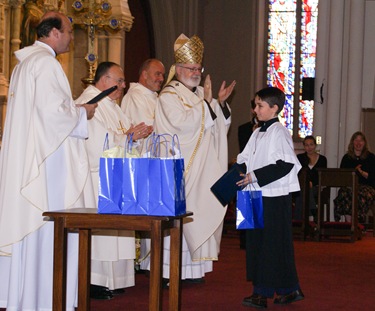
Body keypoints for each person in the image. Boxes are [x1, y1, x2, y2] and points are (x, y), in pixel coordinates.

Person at [0, 11, 97, 310]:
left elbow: (47, 112)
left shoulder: (25, 65)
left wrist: (73, 110)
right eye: (68, 31)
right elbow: (55, 116)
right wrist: (84, 113)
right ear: (53, 33)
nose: (71, 36)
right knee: (45, 228)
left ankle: (30, 298)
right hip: (46, 168)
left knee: (37, 229)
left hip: (33, 158)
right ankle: (44, 300)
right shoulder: (45, 65)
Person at [152, 33, 236, 282]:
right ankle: (170, 272)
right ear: (178, 69)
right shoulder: (169, 96)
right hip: (183, 169)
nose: (196, 72)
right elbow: (179, 127)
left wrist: (219, 104)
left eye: (199, 67)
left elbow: (216, 126)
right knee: (181, 217)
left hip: (204, 168)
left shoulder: (201, 93)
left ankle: (193, 270)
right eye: (191, 68)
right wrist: (207, 105)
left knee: (197, 215)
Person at [74, 61, 152, 299]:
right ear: (104, 80)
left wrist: (134, 138)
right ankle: (94, 281)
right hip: (97, 178)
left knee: (115, 232)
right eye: (119, 81)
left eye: (123, 81)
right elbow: (96, 144)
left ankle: (114, 279)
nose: (123, 85)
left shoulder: (113, 106)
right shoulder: (90, 102)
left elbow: (123, 135)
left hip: (116, 176)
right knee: (100, 235)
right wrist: (128, 137)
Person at [236, 86, 304, 309]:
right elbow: (243, 159)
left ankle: (261, 292)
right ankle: (289, 289)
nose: (255, 109)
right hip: (252, 195)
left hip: (272, 197)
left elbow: (285, 165)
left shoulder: (279, 132)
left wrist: (253, 176)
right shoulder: (257, 132)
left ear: (274, 108)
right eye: (255, 105)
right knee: (255, 244)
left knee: (270, 245)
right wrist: (233, 175)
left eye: (260, 106)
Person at [334, 131, 375, 222]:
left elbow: (373, 177)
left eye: (361, 141)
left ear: (364, 143)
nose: (358, 143)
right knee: (344, 193)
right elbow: (342, 175)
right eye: (356, 140)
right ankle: (349, 224)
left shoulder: (371, 157)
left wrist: (362, 172)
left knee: (360, 194)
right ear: (352, 142)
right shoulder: (346, 158)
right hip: (349, 186)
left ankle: (358, 222)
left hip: (366, 187)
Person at [296, 135, 327, 220]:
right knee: (303, 191)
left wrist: (312, 183)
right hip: (302, 185)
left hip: (317, 186)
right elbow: (298, 173)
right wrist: (306, 182)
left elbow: (322, 175)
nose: (309, 147)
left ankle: (303, 219)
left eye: (311, 144)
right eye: (306, 145)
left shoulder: (322, 159)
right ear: (304, 147)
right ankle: (312, 214)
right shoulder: (300, 158)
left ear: (315, 145)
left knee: (306, 191)